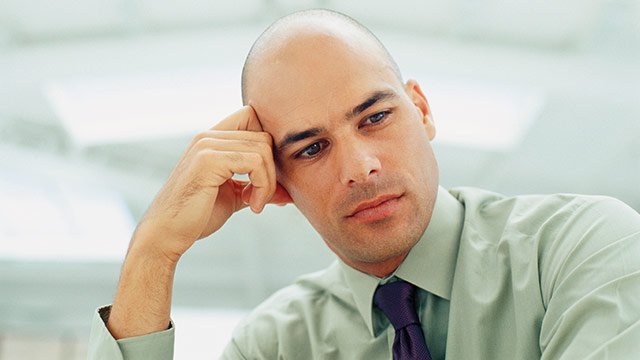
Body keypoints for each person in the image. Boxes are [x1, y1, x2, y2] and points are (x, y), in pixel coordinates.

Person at [88, 9, 640, 360]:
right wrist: (152, 253)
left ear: (421, 110)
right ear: (277, 184)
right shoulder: (275, 346)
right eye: (311, 148)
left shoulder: (580, 250)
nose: (360, 167)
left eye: (374, 117)